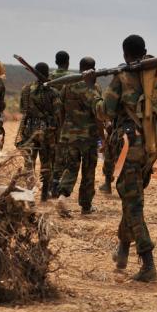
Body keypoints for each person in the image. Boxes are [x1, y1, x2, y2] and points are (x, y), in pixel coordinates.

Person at [84, 35, 157, 282]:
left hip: (129, 148)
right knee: (131, 199)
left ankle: (148, 263)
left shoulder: (122, 77)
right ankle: (122, 250)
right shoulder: (156, 77)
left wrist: (91, 88)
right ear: (145, 51)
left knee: (133, 204)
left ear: (125, 54)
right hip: (151, 148)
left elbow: (104, 112)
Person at [55, 57, 102, 215]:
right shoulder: (93, 87)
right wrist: (102, 137)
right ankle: (86, 205)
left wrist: (63, 129)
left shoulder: (68, 85)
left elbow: (60, 110)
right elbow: (98, 114)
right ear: (93, 69)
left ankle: (62, 196)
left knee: (71, 167)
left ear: (80, 67)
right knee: (88, 171)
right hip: (88, 137)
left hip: (70, 135)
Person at [16, 62, 62, 202]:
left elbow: (22, 109)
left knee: (29, 163)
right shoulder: (53, 91)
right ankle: (44, 195)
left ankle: (28, 193)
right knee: (47, 163)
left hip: (29, 130)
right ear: (47, 73)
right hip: (47, 132)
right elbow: (58, 114)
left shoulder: (26, 89)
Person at [49, 50, 71, 197]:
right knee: (63, 154)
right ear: (68, 62)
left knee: (51, 153)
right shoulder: (71, 78)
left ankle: (52, 182)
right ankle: (58, 183)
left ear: (56, 62)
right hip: (66, 121)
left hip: (50, 120)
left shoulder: (50, 77)